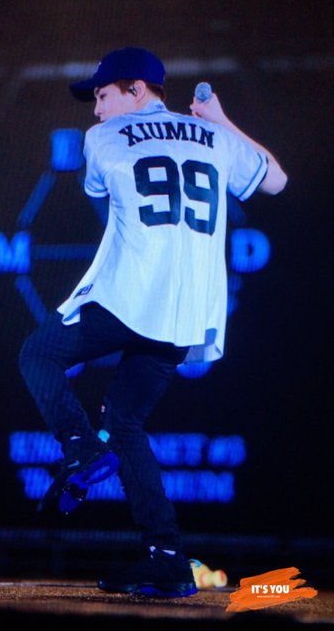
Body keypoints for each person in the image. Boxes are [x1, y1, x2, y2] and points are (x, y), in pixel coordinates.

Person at [19, 46, 287, 597]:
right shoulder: (213, 137)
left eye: (102, 95)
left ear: (136, 90)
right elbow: (278, 181)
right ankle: (167, 558)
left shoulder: (102, 139)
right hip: (187, 316)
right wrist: (219, 120)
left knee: (38, 354)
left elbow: (99, 188)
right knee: (124, 424)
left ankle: (80, 447)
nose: (96, 109)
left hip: (130, 300)